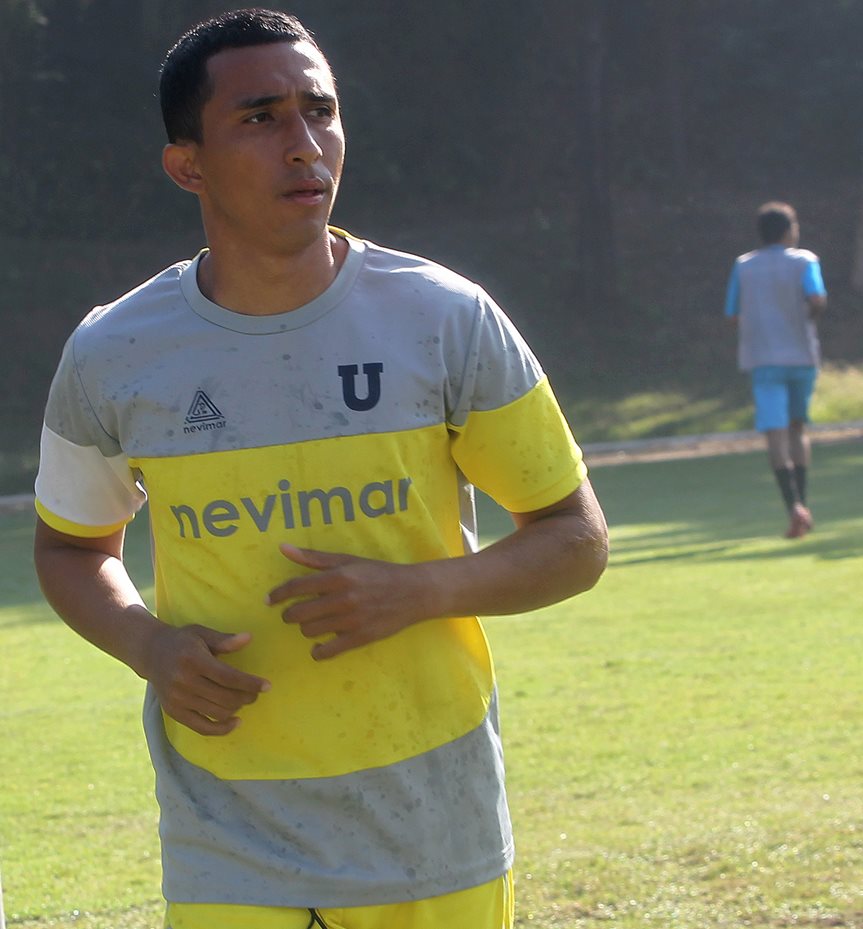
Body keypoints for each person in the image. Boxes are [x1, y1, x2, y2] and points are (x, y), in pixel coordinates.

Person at [32, 9, 608, 929]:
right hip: (229, 837)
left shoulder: (444, 319)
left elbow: (576, 539)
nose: (306, 145)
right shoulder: (115, 350)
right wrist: (147, 643)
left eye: (321, 111)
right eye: (261, 117)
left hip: (431, 826)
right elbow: (70, 548)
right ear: (188, 164)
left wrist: (418, 590)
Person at [725, 201, 828, 539]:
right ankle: (805, 503)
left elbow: (732, 313)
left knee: (775, 433)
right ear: (788, 231)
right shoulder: (805, 261)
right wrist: (806, 321)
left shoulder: (744, 266)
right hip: (801, 355)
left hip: (763, 357)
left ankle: (792, 506)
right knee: (798, 429)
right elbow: (816, 299)